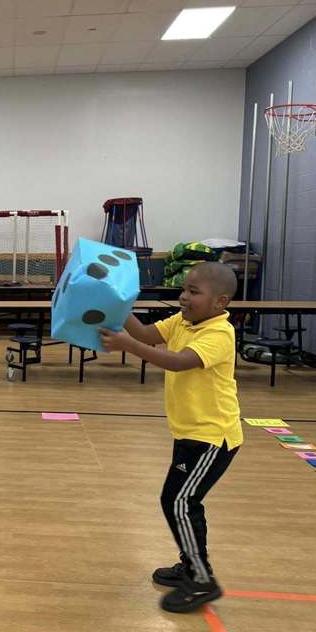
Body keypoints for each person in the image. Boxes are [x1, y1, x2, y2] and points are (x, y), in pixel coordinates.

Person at [100, 261, 242, 612]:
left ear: (220, 302)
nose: (183, 297)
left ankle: (201, 579)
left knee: (179, 501)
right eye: (184, 289)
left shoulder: (219, 333)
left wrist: (126, 345)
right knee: (179, 500)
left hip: (213, 437)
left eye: (194, 292)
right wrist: (120, 303)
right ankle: (190, 564)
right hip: (189, 433)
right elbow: (147, 334)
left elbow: (179, 361)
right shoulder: (183, 321)